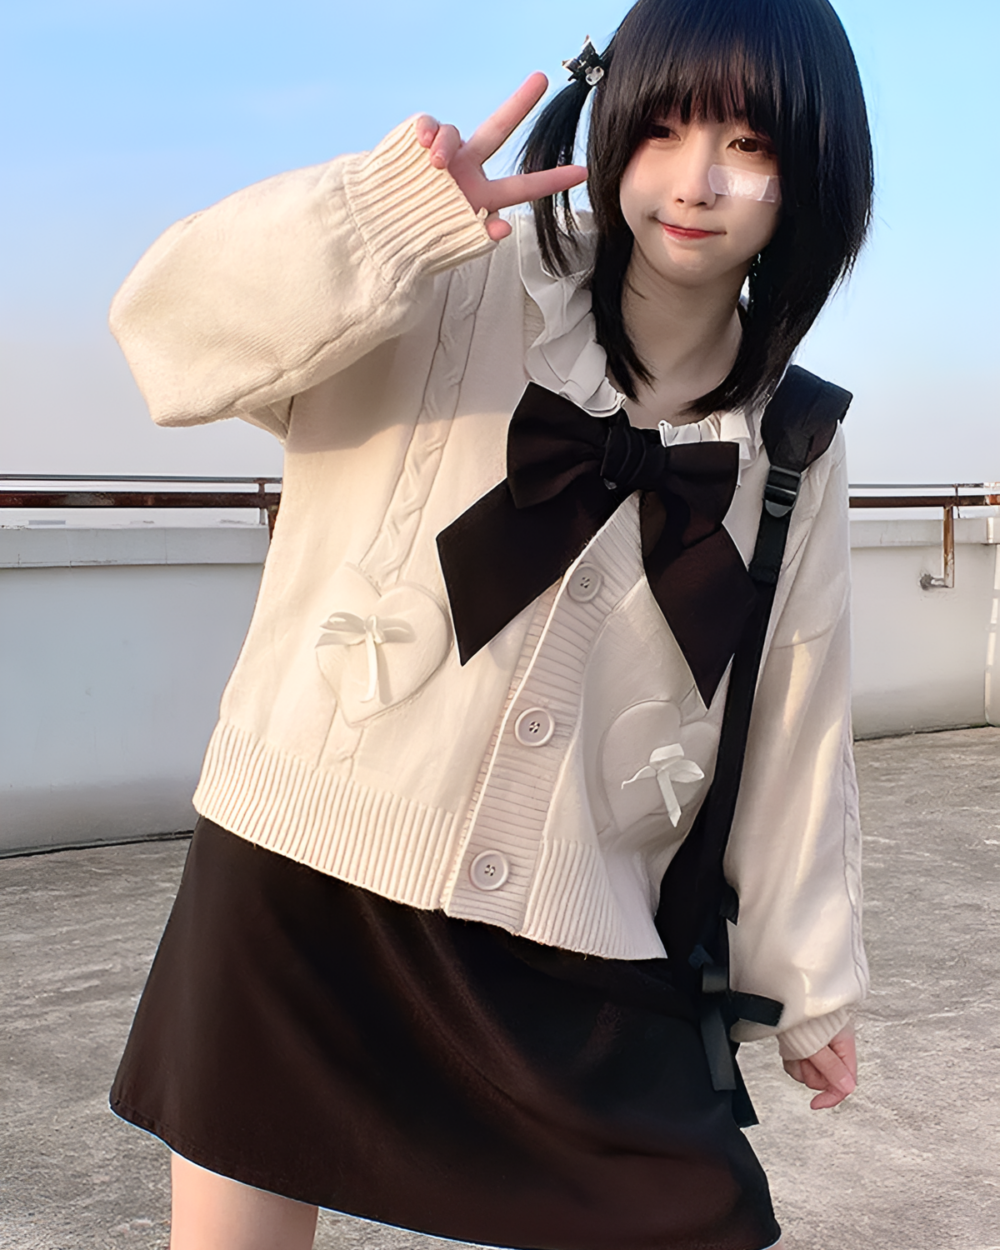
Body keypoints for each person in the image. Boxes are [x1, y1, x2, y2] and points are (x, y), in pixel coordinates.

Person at [108, 1, 873, 1247]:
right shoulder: (456, 276)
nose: (694, 180)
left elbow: (794, 709)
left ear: (813, 170)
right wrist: (383, 216)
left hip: (582, 937)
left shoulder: (795, 439)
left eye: (749, 142)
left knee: (701, 1218)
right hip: (300, 884)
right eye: (664, 126)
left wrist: (806, 981)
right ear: (613, 127)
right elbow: (166, 333)